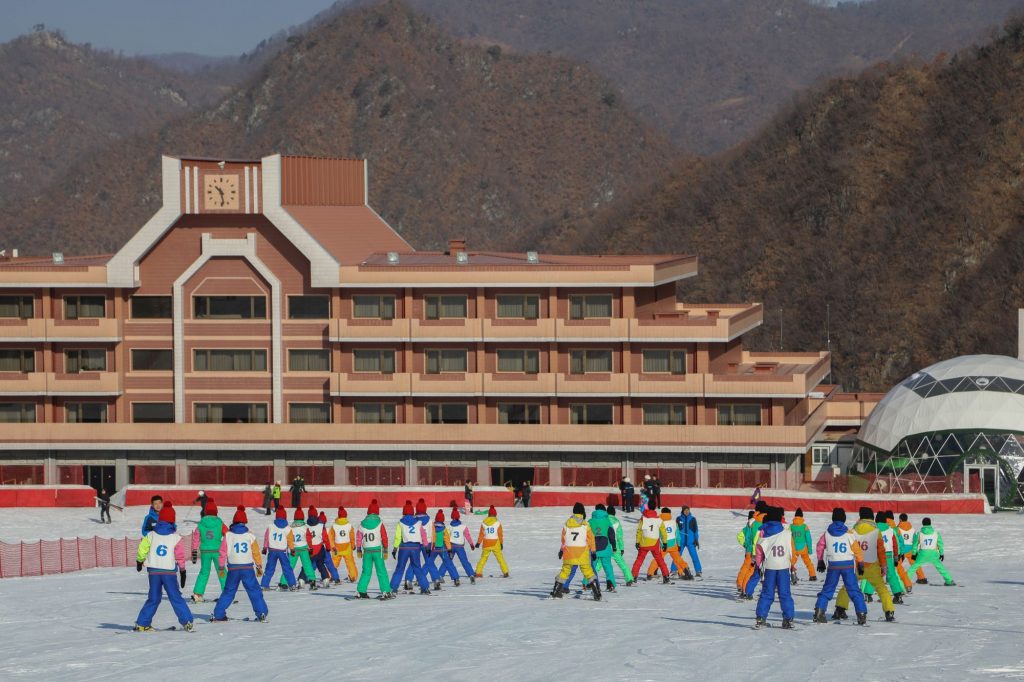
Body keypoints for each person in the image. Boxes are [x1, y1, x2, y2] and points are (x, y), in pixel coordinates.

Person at [133, 502, 194, 631]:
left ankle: (142, 623)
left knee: (154, 598)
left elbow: (142, 548)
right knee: (175, 596)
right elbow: (180, 556)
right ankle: (187, 621)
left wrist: (139, 560)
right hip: (169, 573)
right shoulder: (176, 538)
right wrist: (182, 570)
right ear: (172, 520)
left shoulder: (150, 535)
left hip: (154, 571)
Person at [835, 506, 894, 622]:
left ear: (860, 517)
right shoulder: (877, 532)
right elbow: (881, 551)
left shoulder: (852, 531)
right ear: (872, 517)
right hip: (873, 566)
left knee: (847, 586)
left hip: (857, 566)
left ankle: (840, 609)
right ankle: (889, 611)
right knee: (881, 588)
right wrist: (884, 566)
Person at [812, 507, 868, 625]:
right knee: (853, 590)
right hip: (847, 565)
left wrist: (820, 560)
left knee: (827, 589)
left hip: (833, 565)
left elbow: (820, 546)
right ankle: (861, 614)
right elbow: (857, 550)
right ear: (844, 519)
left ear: (833, 518)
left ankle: (819, 611)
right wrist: (861, 563)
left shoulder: (827, 533)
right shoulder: (849, 534)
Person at [211, 506, 268, 622]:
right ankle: (261, 612)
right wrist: (259, 565)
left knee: (228, 591)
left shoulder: (228, 535)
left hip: (233, 569)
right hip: (247, 568)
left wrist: (221, 567)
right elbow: (256, 552)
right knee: (254, 591)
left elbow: (222, 552)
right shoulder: (250, 536)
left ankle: (218, 614)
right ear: (244, 522)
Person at [753, 505, 795, 629]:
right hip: (783, 567)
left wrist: (758, 565)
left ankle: (760, 617)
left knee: (766, 593)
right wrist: (792, 565)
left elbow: (759, 551)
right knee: (785, 594)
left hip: (769, 567)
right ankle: (788, 619)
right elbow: (792, 551)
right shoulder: (787, 533)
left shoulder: (763, 533)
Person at [550, 502, 601, 600]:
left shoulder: (567, 524)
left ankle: (556, 591)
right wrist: (593, 552)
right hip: (582, 552)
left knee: (565, 571)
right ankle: (597, 593)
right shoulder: (586, 524)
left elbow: (563, 540)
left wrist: (561, 550)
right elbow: (591, 539)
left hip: (569, 552)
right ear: (582, 512)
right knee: (588, 572)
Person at [861, 511, 906, 604]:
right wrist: (896, 557)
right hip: (888, 556)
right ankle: (898, 595)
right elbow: (895, 545)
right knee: (892, 575)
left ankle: (868, 595)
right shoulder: (891, 530)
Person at [189, 497, 227, 603]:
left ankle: (197, 594)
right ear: (216, 512)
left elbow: (196, 539)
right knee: (222, 571)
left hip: (205, 551)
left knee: (204, 572)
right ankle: (227, 592)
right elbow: (228, 535)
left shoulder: (201, 524)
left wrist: (194, 551)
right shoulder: (220, 523)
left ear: (205, 512)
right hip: (217, 551)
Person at [391, 500, 432, 595]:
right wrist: (426, 546)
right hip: (415, 548)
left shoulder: (400, 523)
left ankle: (393, 588)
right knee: (417, 567)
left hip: (404, 548)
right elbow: (423, 535)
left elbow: (398, 537)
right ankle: (425, 587)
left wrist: (395, 548)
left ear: (404, 512)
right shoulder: (418, 522)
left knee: (400, 568)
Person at [355, 499, 393, 599]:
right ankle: (386, 591)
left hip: (367, 551)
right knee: (381, 571)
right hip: (377, 550)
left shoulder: (362, 524)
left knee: (366, 571)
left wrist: (358, 549)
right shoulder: (380, 523)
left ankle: (361, 591)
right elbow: (384, 537)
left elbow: (359, 537)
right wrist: (385, 549)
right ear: (377, 512)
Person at [647, 507, 693, 581]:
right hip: (673, 545)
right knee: (678, 559)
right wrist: (679, 544)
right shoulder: (673, 522)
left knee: (658, 559)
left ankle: (650, 573)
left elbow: (656, 534)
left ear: (662, 513)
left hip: (664, 545)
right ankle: (685, 572)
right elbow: (677, 535)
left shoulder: (659, 522)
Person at [908, 517, 955, 586]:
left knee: (914, 567)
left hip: (923, 553)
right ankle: (949, 580)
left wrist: (914, 554)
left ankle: (905, 580)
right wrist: (941, 553)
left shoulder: (919, 533)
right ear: (930, 523)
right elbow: (940, 544)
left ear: (922, 524)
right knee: (940, 567)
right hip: (933, 553)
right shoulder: (936, 533)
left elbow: (915, 545)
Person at [632, 503, 671, 583]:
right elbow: (663, 532)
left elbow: (639, 531)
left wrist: (637, 542)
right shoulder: (659, 520)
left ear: (648, 507)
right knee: (660, 560)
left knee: (639, 560)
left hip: (644, 542)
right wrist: (665, 543)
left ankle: (633, 576)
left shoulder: (643, 519)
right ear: (655, 508)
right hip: (654, 543)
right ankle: (666, 576)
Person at [261, 507, 297, 591]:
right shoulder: (288, 529)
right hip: (282, 551)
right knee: (287, 568)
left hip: (272, 550)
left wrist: (265, 547)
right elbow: (290, 540)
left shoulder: (270, 527)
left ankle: (264, 584)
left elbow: (266, 538)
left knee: (269, 568)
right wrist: (292, 549)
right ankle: (292, 585)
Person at [281, 506, 317, 590]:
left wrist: (289, 547)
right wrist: (310, 548)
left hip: (294, 549)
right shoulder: (305, 527)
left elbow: (288, 538)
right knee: (307, 565)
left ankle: (283, 582)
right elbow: (308, 538)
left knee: (289, 566)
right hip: (304, 548)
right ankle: (312, 581)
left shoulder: (291, 527)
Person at [405, 499, 438, 588]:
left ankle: (408, 579)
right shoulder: (430, 521)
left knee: (414, 562)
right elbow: (433, 533)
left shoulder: (413, 521)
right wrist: (433, 543)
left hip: (417, 543)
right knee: (429, 562)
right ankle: (436, 579)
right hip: (428, 543)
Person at [587, 503, 618, 591]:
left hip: (593, 549)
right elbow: (611, 535)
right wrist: (614, 546)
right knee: (608, 566)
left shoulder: (590, 521)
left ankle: (588, 583)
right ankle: (610, 583)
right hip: (606, 548)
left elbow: (586, 535)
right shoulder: (607, 521)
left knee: (591, 567)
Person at [307, 506, 339, 586]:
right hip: (325, 550)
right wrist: (329, 548)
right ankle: (336, 578)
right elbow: (329, 540)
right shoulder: (326, 529)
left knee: (313, 564)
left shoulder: (311, 526)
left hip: (317, 548)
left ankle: (309, 577)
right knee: (330, 564)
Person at [475, 506, 510, 578]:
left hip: (486, 543)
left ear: (488, 514)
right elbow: (500, 534)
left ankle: (478, 572)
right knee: (500, 558)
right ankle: (505, 572)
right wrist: (501, 543)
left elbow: (481, 534)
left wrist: (478, 542)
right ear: (495, 514)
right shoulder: (498, 523)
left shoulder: (483, 523)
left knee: (483, 558)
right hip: (495, 543)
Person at [430, 510, 461, 588]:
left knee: (428, 563)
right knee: (448, 563)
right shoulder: (444, 529)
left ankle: (421, 578)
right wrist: (449, 549)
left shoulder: (432, 527)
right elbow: (447, 540)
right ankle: (456, 578)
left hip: (433, 548)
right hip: (442, 549)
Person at [604, 506, 635, 586]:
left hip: (605, 545)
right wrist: (621, 548)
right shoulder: (617, 522)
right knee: (621, 563)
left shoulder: (604, 520)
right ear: (614, 513)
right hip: (615, 546)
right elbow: (619, 537)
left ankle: (590, 580)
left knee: (599, 563)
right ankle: (629, 578)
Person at [329, 506, 359, 583]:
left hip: (337, 546)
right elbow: (352, 536)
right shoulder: (349, 525)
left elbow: (331, 537)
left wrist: (332, 546)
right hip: (347, 546)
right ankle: (353, 576)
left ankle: (329, 575)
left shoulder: (334, 526)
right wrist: (353, 544)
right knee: (350, 562)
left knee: (334, 562)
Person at [447, 508, 476, 583]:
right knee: (464, 561)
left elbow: (446, 537)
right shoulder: (463, 526)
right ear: (459, 517)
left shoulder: (449, 527)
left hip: (451, 546)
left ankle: (440, 574)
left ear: (451, 517)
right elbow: (467, 536)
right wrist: (471, 544)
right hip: (460, 547)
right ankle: (471, 574)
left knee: (447, 561)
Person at [897, 513, 925, 586]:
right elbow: (916, 540)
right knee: (915, 564)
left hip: (901, 549)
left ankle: (898, 577)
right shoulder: (912, 529)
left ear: (900, 519)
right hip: (910, 549)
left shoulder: (898, 528)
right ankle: (922, 577)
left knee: (897, 565)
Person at [789, 508, 816, 582]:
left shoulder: (791, 526)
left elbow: (788, 537)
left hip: (794, 548)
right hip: (803, 548)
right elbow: (808, 539)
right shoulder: (805, 526)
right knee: (807, 561)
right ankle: (812, 575)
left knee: (792, 562)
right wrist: (809, 550)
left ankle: (790, 573)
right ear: (802, 516)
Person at [676, 505, 702, 577]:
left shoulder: (693, 519)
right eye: (685, 510)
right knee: (677, 556)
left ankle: (698, 571)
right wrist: (676, 540)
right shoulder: (678, 518)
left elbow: (695, 530)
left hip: (691, 541)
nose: (687, 512)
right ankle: (674, 570)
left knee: (694, 556)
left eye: (688, 510)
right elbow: (676, 530)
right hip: (680, 542)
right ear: (682, 511)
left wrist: (696, 539)